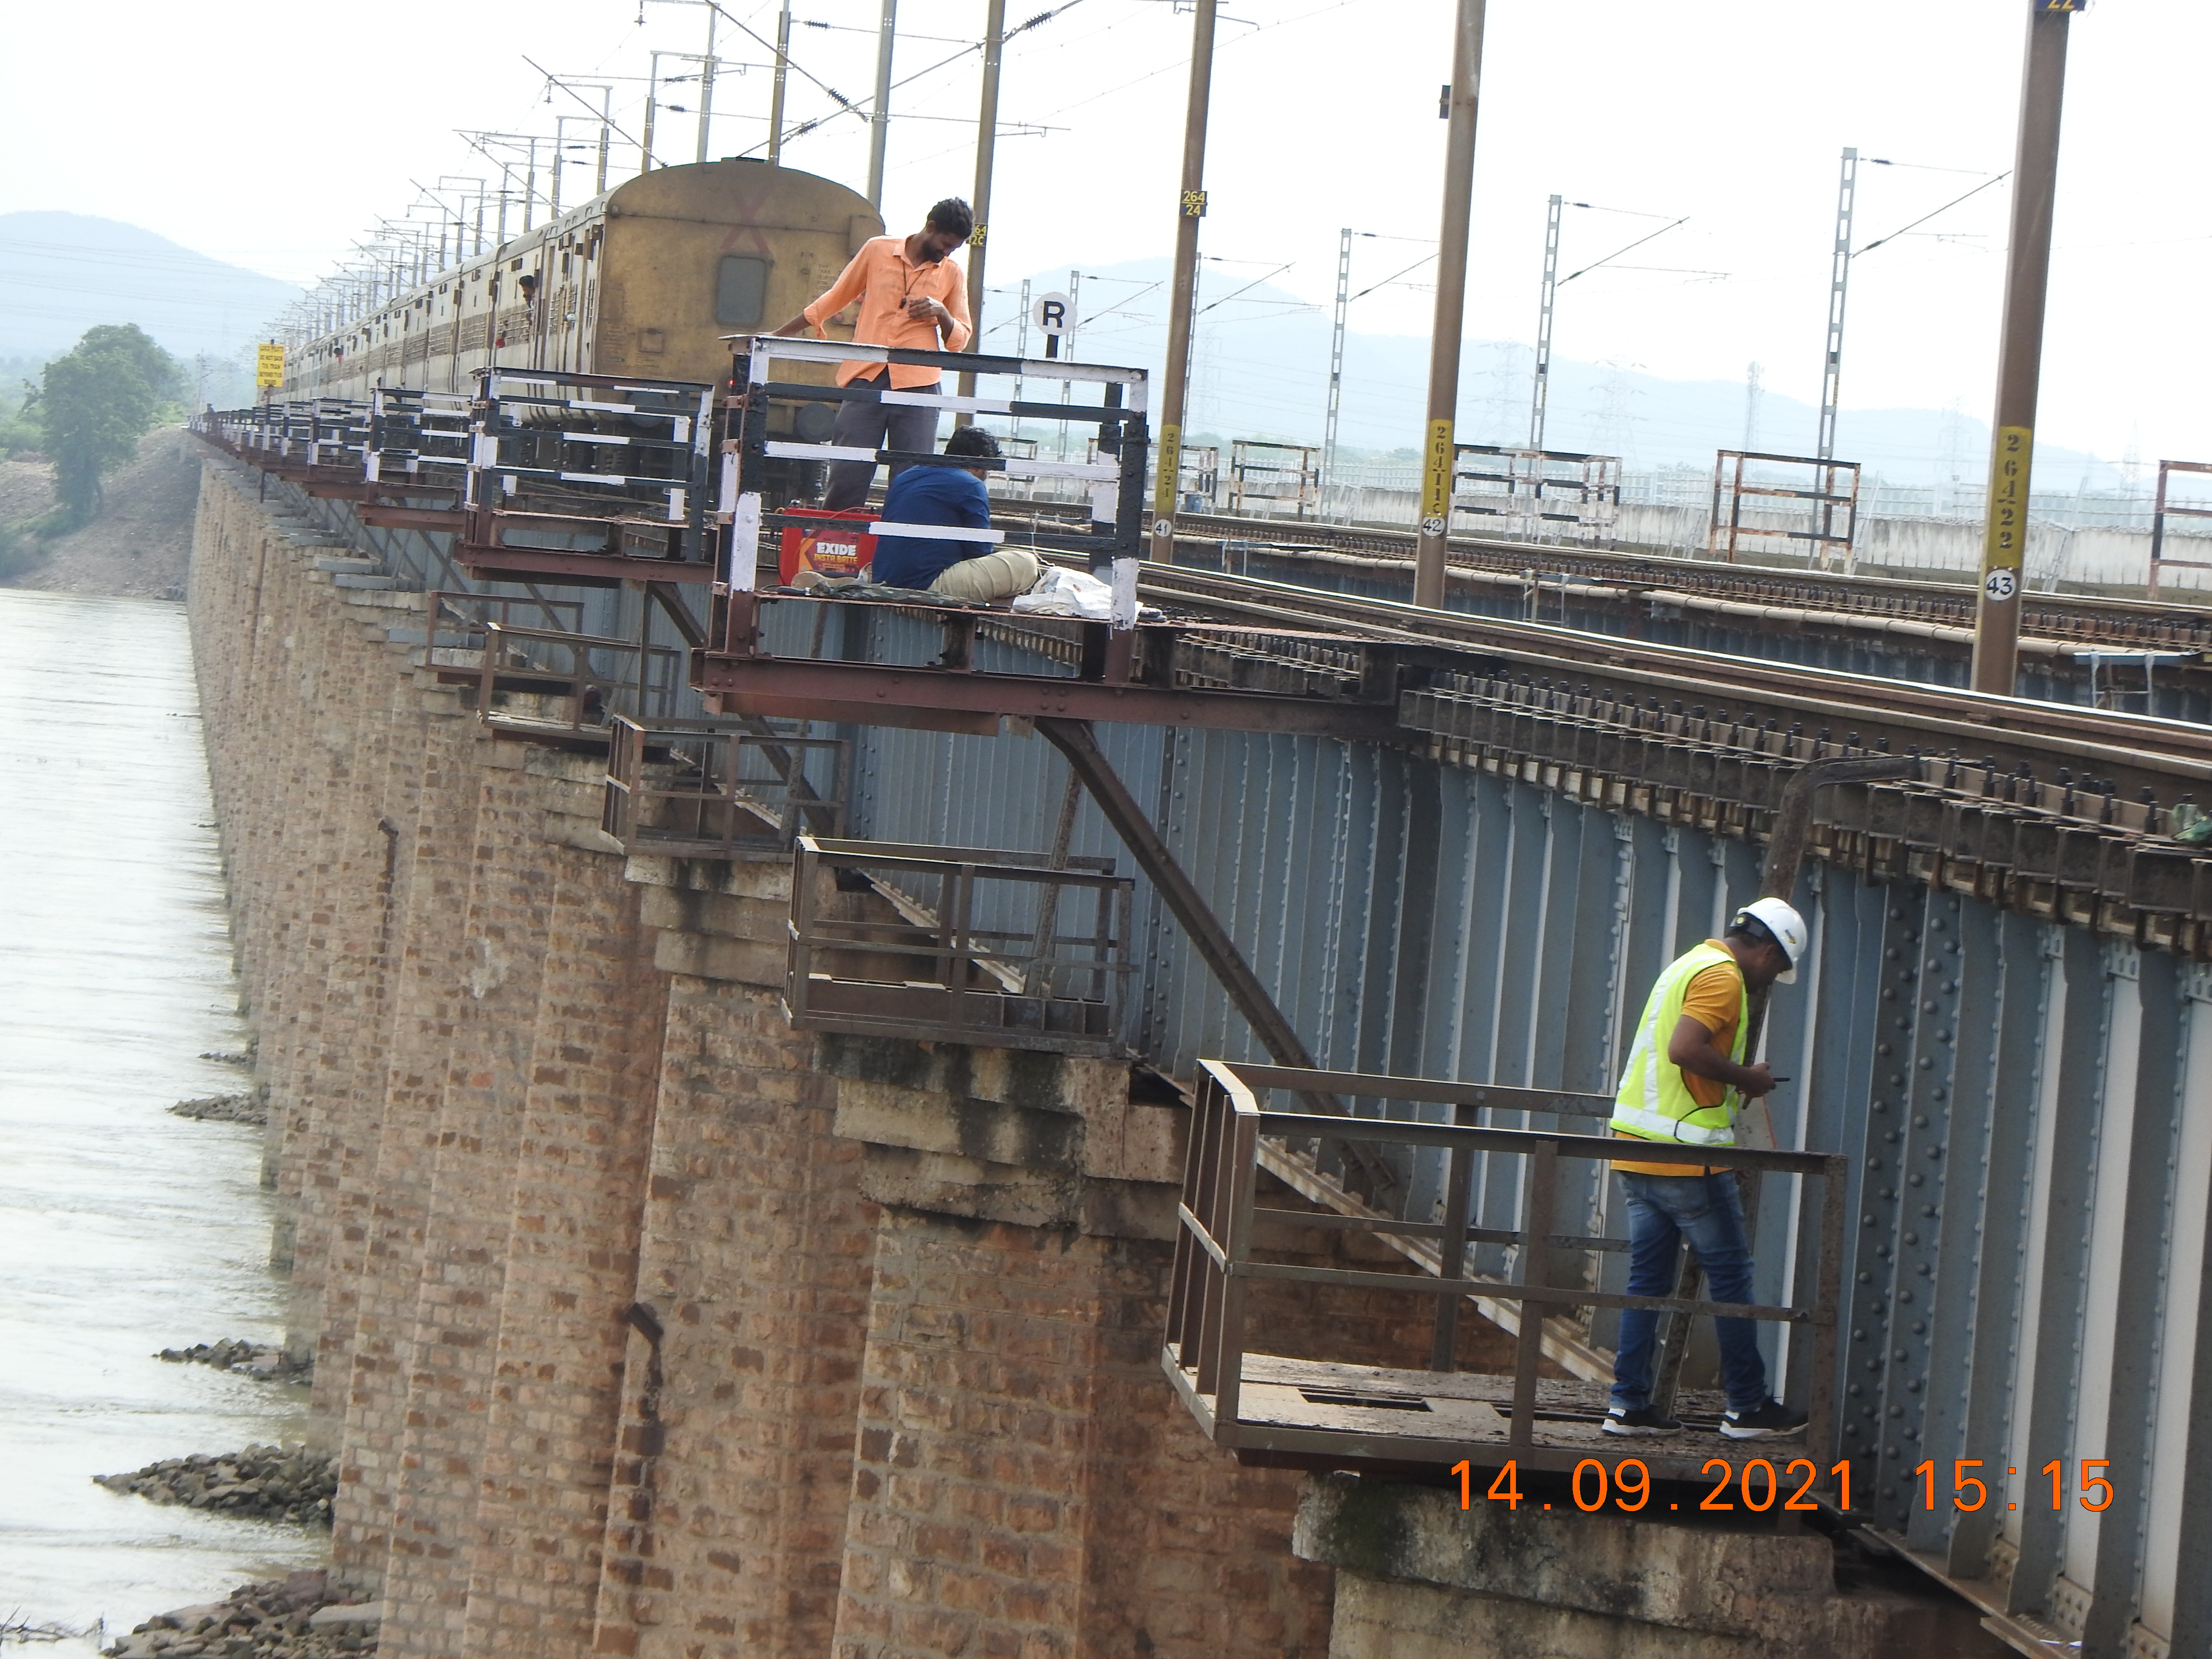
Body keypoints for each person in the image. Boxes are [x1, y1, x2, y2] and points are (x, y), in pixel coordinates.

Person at [1602, 897, 1813, 1442]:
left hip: (1637, 1149)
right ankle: (1746, 1406)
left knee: (1646, 1282)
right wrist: (1747, 1078)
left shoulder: (1688, 963)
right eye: (1777, 971)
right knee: (1733, 1279)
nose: (1770, 982)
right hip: (1687, 1157)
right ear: (1767, 953)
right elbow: (1684, 1049)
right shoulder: (1723, 980)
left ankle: (1628, 1406)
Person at [771, 198, 975, 511]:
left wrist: (941, 312)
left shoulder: (952, 273)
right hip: (866, 376)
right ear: (931, 228)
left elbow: (959, 339)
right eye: (946, 244)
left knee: (912, 477)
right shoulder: (878, 250)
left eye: (955, 248)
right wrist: (776, 337)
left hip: (919, 385)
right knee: (847, 471)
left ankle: (899, 551)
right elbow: (836, 297)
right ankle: (833, 546)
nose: (948, 253)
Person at [869, 425, 1041, 601]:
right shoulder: (970, 484)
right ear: (981, 461)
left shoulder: (906, 477)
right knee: (1026, 563)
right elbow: (980, 550)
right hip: (925, 585)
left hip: (884, 579)